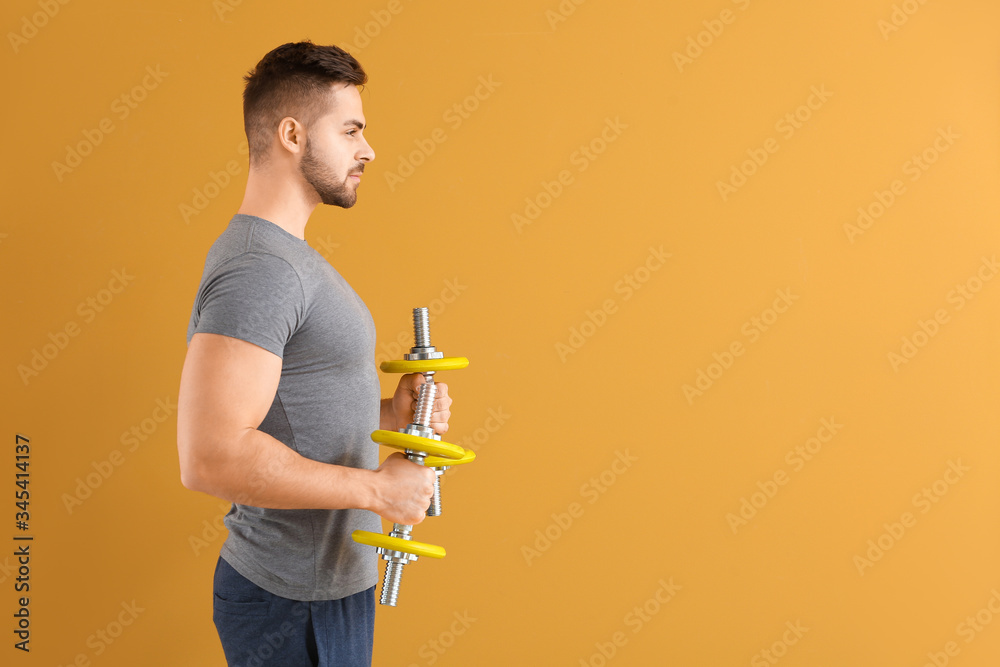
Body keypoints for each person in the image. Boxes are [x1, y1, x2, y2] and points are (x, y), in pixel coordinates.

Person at [176, 41, 449, 666]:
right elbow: (210, 456)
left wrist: (392, 413)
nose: (368, 149)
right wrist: (379, 493)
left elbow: (295, 416)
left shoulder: (287, 259)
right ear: (293, 134)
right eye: (350, 130)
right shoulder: (261, 270)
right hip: (290, 597)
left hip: (327, 588)